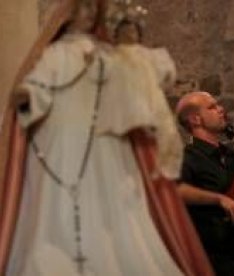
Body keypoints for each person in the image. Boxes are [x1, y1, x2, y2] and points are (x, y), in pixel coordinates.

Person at [0, 0, 213, 275]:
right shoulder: (56, 54)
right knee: (59, 210)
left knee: (114, 215)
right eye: (83, 9)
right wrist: (27, 97)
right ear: (67, 17)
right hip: (64, 141)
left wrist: (128, 51)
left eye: (93, 10)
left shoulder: (109, 55)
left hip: (105, 143)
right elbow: (38, 88)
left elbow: (149, 75)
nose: (89, 15)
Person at [175, 91, 234, 276]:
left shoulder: (229, 154)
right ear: (195, 120)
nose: (221, 109)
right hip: (213, 259)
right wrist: (220, 199)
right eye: (212, 107)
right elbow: (177, 190)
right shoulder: (187, 158)